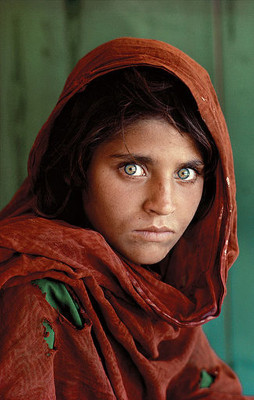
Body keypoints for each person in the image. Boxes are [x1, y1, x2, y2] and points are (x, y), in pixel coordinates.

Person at [0, 37, 251, 399]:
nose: (163, 205)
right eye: (132, 168)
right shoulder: (33, 292)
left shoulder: (157, 291)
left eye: (185, 174)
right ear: (78, 166)